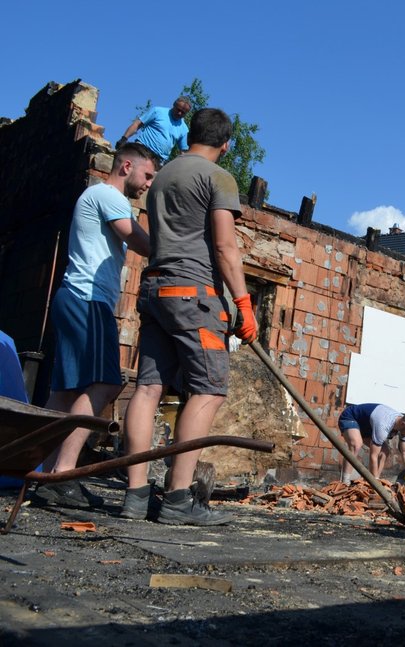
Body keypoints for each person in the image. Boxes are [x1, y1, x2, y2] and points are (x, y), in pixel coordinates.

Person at [120, 108, 258, 526]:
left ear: (190, 134)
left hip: (156, 288)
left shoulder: (161, 176)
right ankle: (178, 499)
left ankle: (135, 495)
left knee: (148, 389)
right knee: (209, 389)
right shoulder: (218, 177)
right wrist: (244, 302)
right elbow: (224, 248)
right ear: (226, 143)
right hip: (194, 295)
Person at [31, 144, 159, 509]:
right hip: (88, 301)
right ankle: (61, 476)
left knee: (65, 394)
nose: (147, 184)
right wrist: (177, 249)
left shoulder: (95, 196)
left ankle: (43, 473)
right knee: (105, 383)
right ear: (127, 166)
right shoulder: (106, 195)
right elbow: (139, 240)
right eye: (147, 175)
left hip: (74, 298)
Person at [337, 403, 405, 486]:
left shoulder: (404, 425)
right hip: (351, 417)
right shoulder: (383, 425)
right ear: (403, 424)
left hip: (367, 427)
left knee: (384, 452)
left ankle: (372, 481)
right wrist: (375, 483)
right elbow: (373, 456)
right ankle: (345, 482)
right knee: (356, 445)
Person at [117, 96, 191, 163]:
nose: (179, 113)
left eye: (183, 112)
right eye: (178, 109)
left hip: (158, 160)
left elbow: (183, 151)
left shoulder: (184, 129)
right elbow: (137, 124)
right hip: (141, 150)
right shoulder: (158, 111)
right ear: (173, 105)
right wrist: (124, 138)